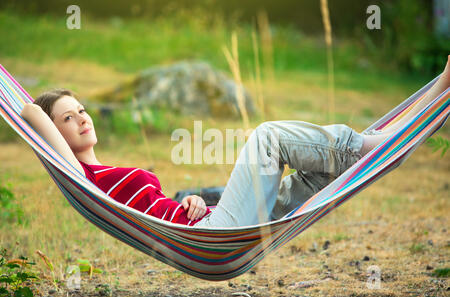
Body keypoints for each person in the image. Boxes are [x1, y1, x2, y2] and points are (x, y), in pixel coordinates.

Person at [20, 56, 450, 228]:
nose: (81, 119)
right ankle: (370, 143)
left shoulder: (105, 171)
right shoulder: (83, 176)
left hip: (212, 222)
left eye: (82, 110)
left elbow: (159, 211)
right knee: (268, 137)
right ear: (54, 133)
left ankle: (428, 106)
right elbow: (30, 113)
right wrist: (31, 108)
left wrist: (188, 205)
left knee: (328, 174)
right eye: (67, 118)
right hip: (218, 234)